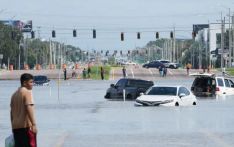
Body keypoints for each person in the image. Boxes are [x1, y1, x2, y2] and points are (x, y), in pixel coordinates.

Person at [10, 73, 37, 147]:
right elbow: (29, 108)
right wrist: (34, 124)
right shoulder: (27, 92)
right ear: (24, 83)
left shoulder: (14, 95)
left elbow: (11, 113)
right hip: (26, 128)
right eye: (31, 82)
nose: (32, 84)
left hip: (15, 128)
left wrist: (12, 126)